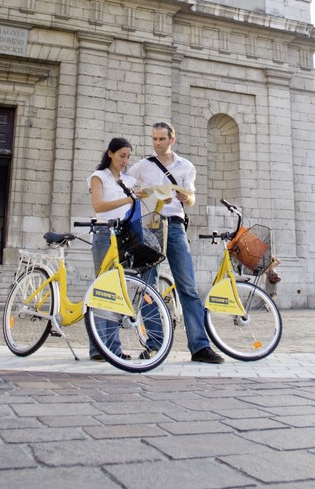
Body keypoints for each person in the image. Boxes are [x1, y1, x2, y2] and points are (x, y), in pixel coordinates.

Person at [129, 121, 224, 364]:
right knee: (148, 286)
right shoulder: (143, 165)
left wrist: (186, 197)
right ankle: (155, 344)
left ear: (172, 139)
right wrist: (135, 194)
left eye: (161, 139)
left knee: (188, 287)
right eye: (154, 139)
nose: (157, 143)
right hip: (150, 226)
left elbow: (191, 199)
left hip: (175, 225)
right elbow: (126, 185)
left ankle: (200, 347)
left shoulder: (186, 167)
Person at [87, 137, 139, 361]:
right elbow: (98, 205)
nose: (125, 161)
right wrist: (126, 201)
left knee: (118, 290)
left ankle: (113, 348)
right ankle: (100, 348)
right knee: (103, 289)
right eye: (121, 156)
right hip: (103, 235)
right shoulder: (98, 177)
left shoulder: (128, 181)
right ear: (110, 154)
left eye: (128, 157)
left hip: (123, 237)